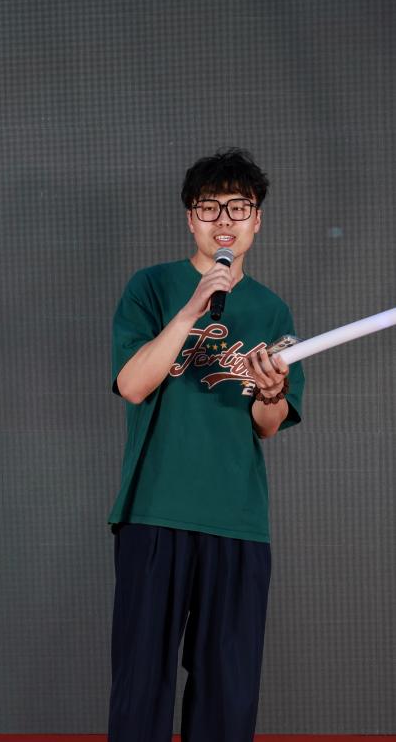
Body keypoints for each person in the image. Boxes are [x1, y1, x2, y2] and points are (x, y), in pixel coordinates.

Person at [106, 149, 304, 742]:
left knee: (228, 690)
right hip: (154, 513)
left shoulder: (272, 309)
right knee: (141, 684)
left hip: (237, 521)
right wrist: (193, 307)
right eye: (209, 207)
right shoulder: (152, 287)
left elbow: (268, 423)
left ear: (257, 219)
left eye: (239, 207)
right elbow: (132, 384)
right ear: (190, 218)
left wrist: (271, 390)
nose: (224, 220)